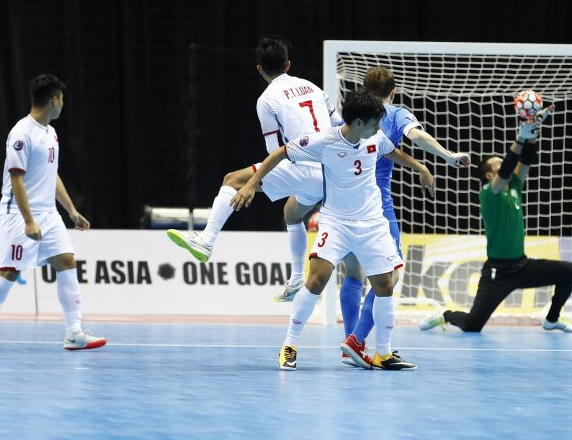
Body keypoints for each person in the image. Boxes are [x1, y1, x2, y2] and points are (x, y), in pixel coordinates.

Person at [231, 90, 427, 371]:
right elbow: (279, 154)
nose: (377, 129)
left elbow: (390, 151)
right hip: (337, 222)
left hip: (372, 223)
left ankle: (383, 353)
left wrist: (419, 167)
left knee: (385, 285)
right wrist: (251, 183)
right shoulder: (324, 142)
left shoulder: (374, 136)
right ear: (358, 122)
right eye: (374, 123)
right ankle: (289, 345)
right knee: (317, 280)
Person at [166, 36, 356, 302]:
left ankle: (207, 240)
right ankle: (297, 278)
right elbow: (341, 126)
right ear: (288, 64)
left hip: (303, 166)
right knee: (292, 213)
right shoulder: (313, 87)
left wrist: (253, 182)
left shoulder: (266, 100)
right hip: (330, 173)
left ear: (259, 69)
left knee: (232, 179)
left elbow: (272, 151)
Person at [338, 67, 471, 367]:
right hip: (376, 203)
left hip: (342, 201)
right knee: (392, 272)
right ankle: (356, 341)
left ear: (363, 88)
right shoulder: (396, 113)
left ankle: (350, 348)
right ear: (393, 91)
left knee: (353, 274)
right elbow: (418, 136)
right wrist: (448, 156)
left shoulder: (349, 113)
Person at [419, 101, 572, 334]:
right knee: (472, 325)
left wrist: (531, 132)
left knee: (570, 271)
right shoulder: (488, 193)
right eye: (497, 164)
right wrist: (520, 138)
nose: (503, 165)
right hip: (497, 272)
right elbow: (508, 168)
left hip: (522, 266)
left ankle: (552, 318)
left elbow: (525, 161)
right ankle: (445, 314)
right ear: (488, 174)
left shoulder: (514, 186)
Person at [0, 74, 106, 351]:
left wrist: (71, 210)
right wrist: (29, 221)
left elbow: (52, 174)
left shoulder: (51, 133)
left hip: (49, 214)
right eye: (62, 100)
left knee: (67, 261)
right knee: (10, 271)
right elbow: (16, 179)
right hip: (19, 215)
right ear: (54, 99)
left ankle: (73, 332)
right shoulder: (21, 133)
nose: (63, 105)